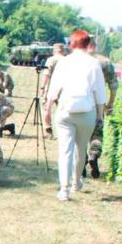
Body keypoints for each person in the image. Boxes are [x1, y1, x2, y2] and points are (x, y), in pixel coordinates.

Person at [43, 30, 107, 201]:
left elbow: (54, 89)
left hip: (65, 111)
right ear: (88, 44)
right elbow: (100, 93)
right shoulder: (94, 64)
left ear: (71, 44)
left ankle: (63, 189)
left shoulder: (64, 62)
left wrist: (48, 110)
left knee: (64, 151)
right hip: (87, 113)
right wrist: (100, 116)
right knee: (81, 151)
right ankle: (76, 182)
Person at [85, 39, 119, 178]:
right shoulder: (105, 62)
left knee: (80, 135)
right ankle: (93, 155)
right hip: (98, 104)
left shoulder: (78, 61)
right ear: (95, 46)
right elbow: (113, 85)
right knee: (97, 135)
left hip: (80, 102)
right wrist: (110, 103)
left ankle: (81, 161)